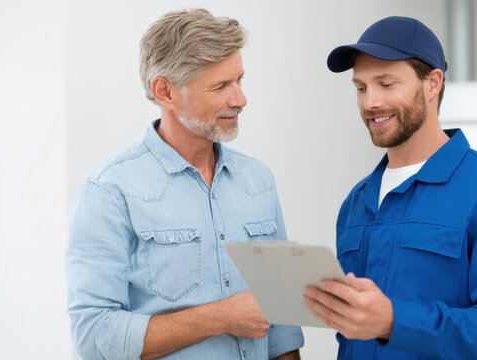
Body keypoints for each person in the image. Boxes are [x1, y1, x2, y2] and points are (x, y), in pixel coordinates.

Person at [66, 9, 303, 360]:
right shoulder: (110, 192)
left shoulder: (258, 180)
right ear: (165, 91)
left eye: (239, 80)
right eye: (221, 86)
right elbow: (94, 335)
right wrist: (221, 317)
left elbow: (282, 326)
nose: (240, 99)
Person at [303, 16, 477, 359]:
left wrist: (394, 321)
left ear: (432, 84)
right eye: (361, 87)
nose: (370, 102)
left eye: (386, 84)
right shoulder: (356, 203)